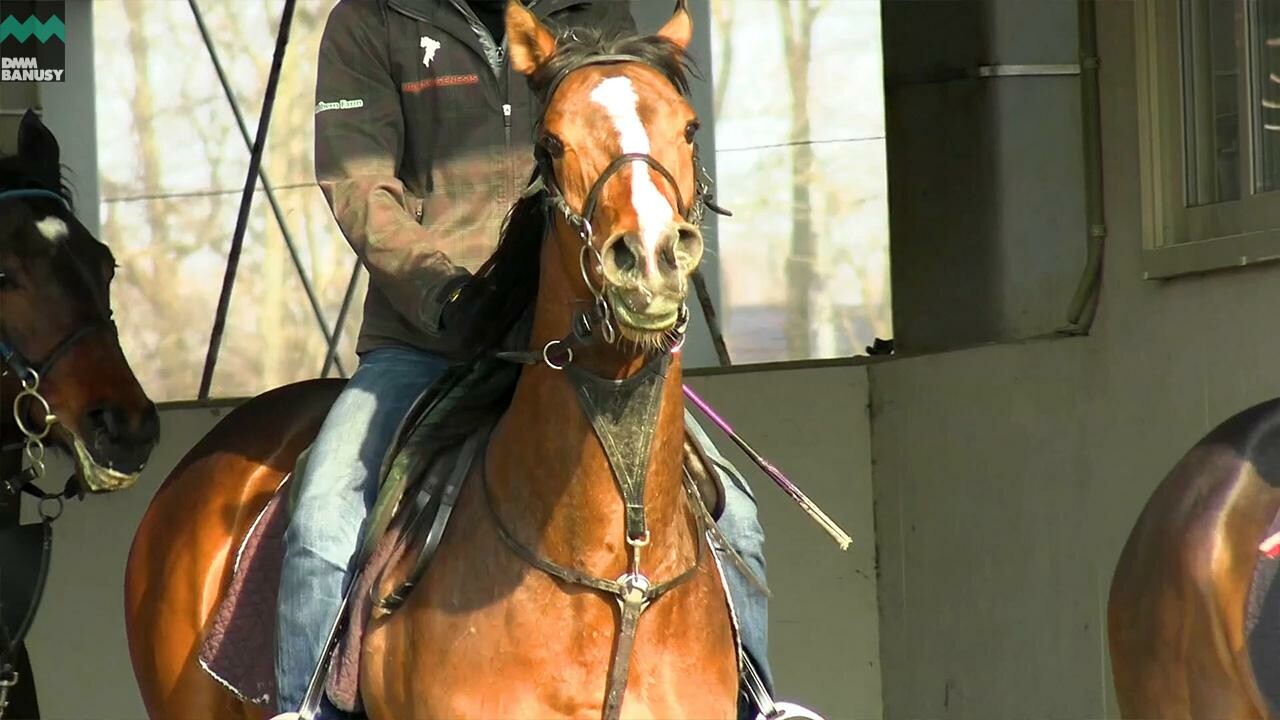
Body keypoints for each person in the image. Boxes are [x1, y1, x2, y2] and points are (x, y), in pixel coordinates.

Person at [275, 1, 772, 717]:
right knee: (323, 515)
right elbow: (360, 187)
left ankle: (758, 699)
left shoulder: (598, 11)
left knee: (740, 515)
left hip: (586, 332)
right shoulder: (369, 20)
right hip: (430, 337)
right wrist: (445, 295)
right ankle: (305, 709)